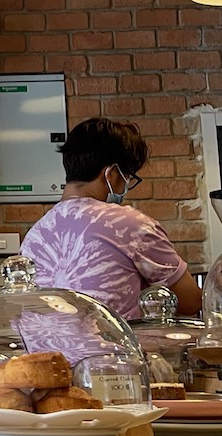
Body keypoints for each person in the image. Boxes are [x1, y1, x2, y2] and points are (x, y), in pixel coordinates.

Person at [19, 117, 202, 320]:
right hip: (113, 350)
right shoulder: (129, 225)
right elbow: (189, 301)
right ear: (112, 174)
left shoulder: (34, 236)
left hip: (44, 352)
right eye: (128, 177)